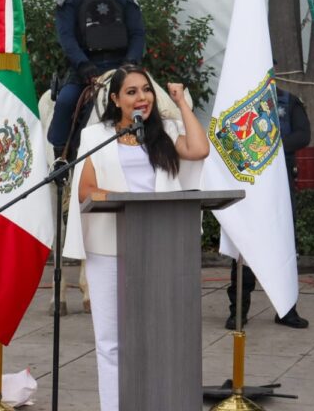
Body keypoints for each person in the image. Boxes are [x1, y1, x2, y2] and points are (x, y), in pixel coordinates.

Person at [62, 65, 208, 410]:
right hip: (108, 247)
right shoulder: (96, 136)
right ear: (115, 99)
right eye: (131, 92)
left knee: (160, 335)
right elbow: (86, 189)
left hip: (161, 244)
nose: (142, 97)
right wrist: (126, 200)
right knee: (110, 340)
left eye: (146, 90)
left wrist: (181, 103)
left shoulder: (165, 131)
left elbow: (199, 149)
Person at [224, 85, 311, 330]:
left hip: (280, 182)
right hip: (248, 181)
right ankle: (238, 311)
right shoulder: (238, 97)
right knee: (244, 246)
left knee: (284, 246)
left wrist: (267, 148)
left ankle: (287, 310)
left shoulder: (288, 100)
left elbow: (303, 135)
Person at [48, 0, 145, 161]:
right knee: (65, 101)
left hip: (122, 66)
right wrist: (82, 63)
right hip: (85, 67)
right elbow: (66, 35)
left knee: (154, 98)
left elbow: (138, 33)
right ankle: (61, 159)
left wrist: (131, 61)